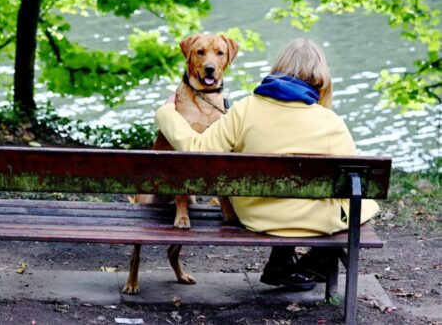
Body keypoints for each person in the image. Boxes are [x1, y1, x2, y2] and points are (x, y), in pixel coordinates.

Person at [154, 38, 380, 291]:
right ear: (321, 76)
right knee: (357, 206)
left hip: (257, 215)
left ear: (278, 68)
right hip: (317, 222)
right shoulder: (331, 121)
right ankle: (312, 262)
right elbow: (351, 181)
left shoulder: (244, 109)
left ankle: (284, 263)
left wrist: (166, 113)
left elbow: (197, 149)